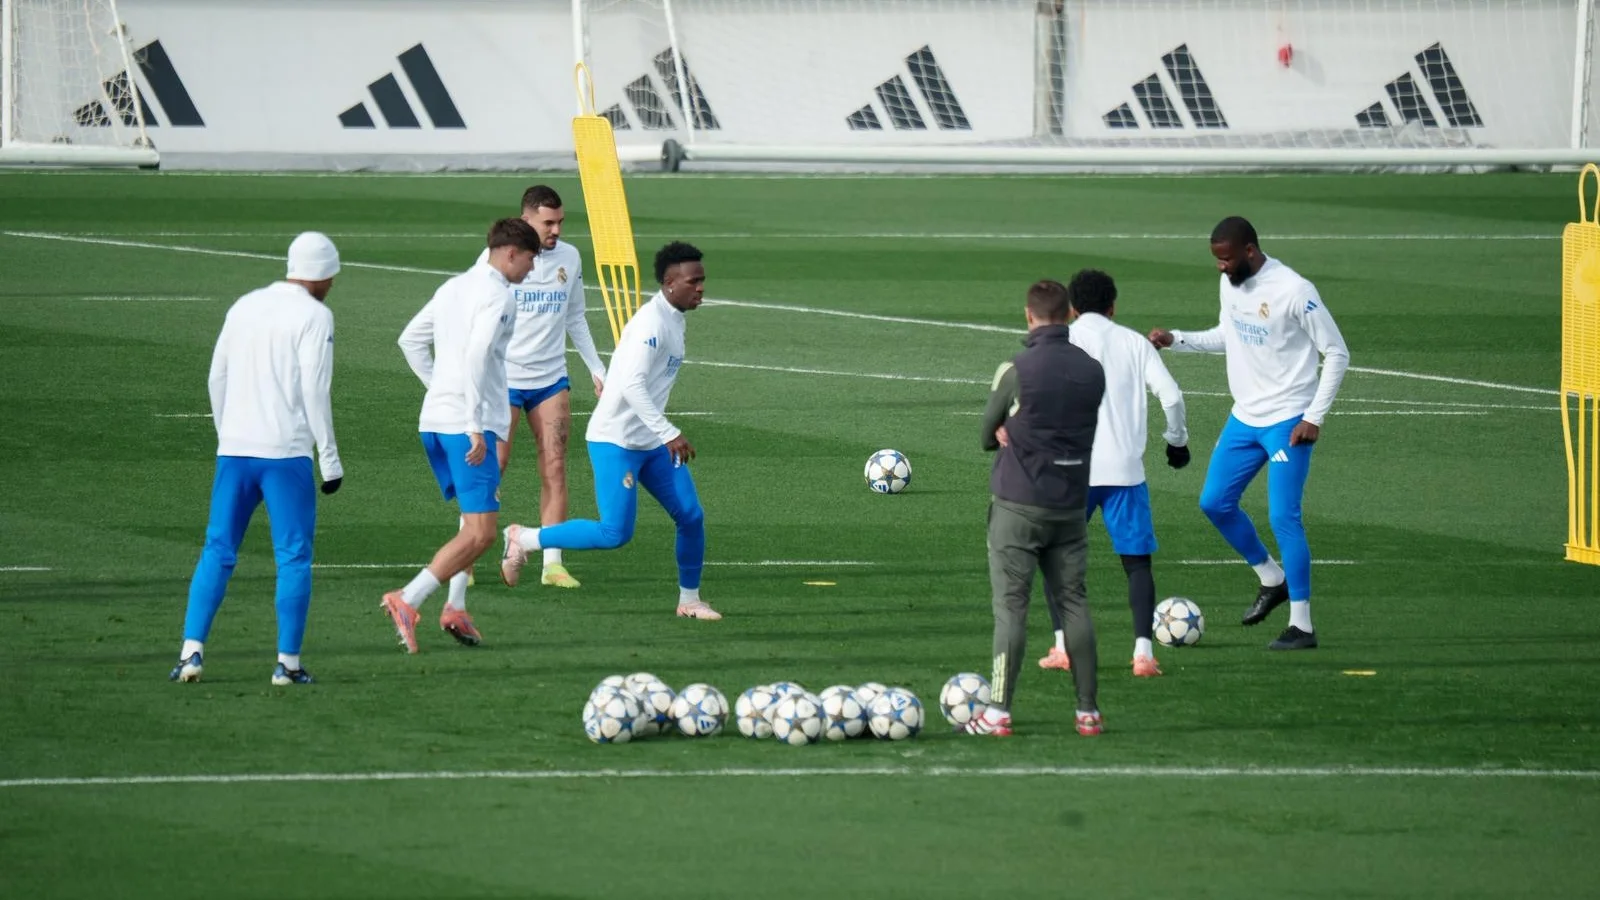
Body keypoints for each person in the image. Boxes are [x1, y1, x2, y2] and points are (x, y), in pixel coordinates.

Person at [1148, 216, 1350, 651]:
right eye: (1217, 260)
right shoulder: (1232, 284)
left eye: (1226, 259)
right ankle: (1270, 578)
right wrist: (1176, 339)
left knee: (1283, 516)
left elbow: (1336, 352)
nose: (1221, 267)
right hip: (1244, 417)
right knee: (1215, 503)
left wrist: (1313, 416)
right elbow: (1230, 335)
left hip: (1287, 422)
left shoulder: (1296, 291)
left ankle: (1303, 626)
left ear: (1250, 252)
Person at [499, 241, 719, 621]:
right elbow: (632, 385)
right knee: (614, 533)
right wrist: (668, 432)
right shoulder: (651, 324)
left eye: (702, 280)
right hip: (615, 440)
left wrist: (659, 434)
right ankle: (524, 539)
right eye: (693, 281)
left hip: (649, 441)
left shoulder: (674, 318)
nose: (701, 288)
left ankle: (690, 600)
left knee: (691, 516)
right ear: (669, 282)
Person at [169, 232, 344, 686]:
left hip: (235, 450)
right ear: (324, 274)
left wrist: (226, 434)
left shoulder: (243, 305)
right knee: (293, 557)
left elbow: (216, 376)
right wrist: (329, 459)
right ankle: (287, 664)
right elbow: (314, 390)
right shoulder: (316, 315)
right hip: (285, 455)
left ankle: (191, 653)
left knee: (218, 549)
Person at [382, 218, 541, 653]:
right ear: (512, 253)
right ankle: (407, 599)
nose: (530, 271)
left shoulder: (451, 287)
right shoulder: (500, 296)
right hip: (468, 426)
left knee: (473, 523)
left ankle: (455, 606)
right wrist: (473, 422)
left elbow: (409, 340)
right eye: (530, 261)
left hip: (434, 420)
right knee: (482, 534)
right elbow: (476, 354)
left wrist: (440, 389)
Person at [968, 279, 1106, 737]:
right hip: (1069, 505)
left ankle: (999, 711)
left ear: (1029, 316)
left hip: (1018, 505)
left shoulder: (1017, 368)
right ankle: (1088, 711)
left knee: (1012, 608)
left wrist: (1005, 431)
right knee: (1074, 604)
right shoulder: (1092, 370)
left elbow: (988, 430)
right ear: (1068, 315)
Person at [1036, 268, 1189, 678]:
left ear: (1071, 307)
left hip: (1072, 470)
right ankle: (1143, 654)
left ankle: (1062, 647)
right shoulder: (1135, 343)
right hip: (1125, 471)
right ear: (1113, 305)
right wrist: (1177, 442)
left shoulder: (1062, 340)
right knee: (1137, 564)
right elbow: (1171, 396)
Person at [480, 185, 606, 591]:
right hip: (504, 380)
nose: (555, 230)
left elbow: (576, 317)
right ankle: (467, 552)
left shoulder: (569, 257)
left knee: (554, 466)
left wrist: (596, 368)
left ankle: (552, 562)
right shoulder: (499, 258)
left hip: (551, 379)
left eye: (559, 222)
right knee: (491, 467)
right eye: (547, 222)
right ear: (527, 219)